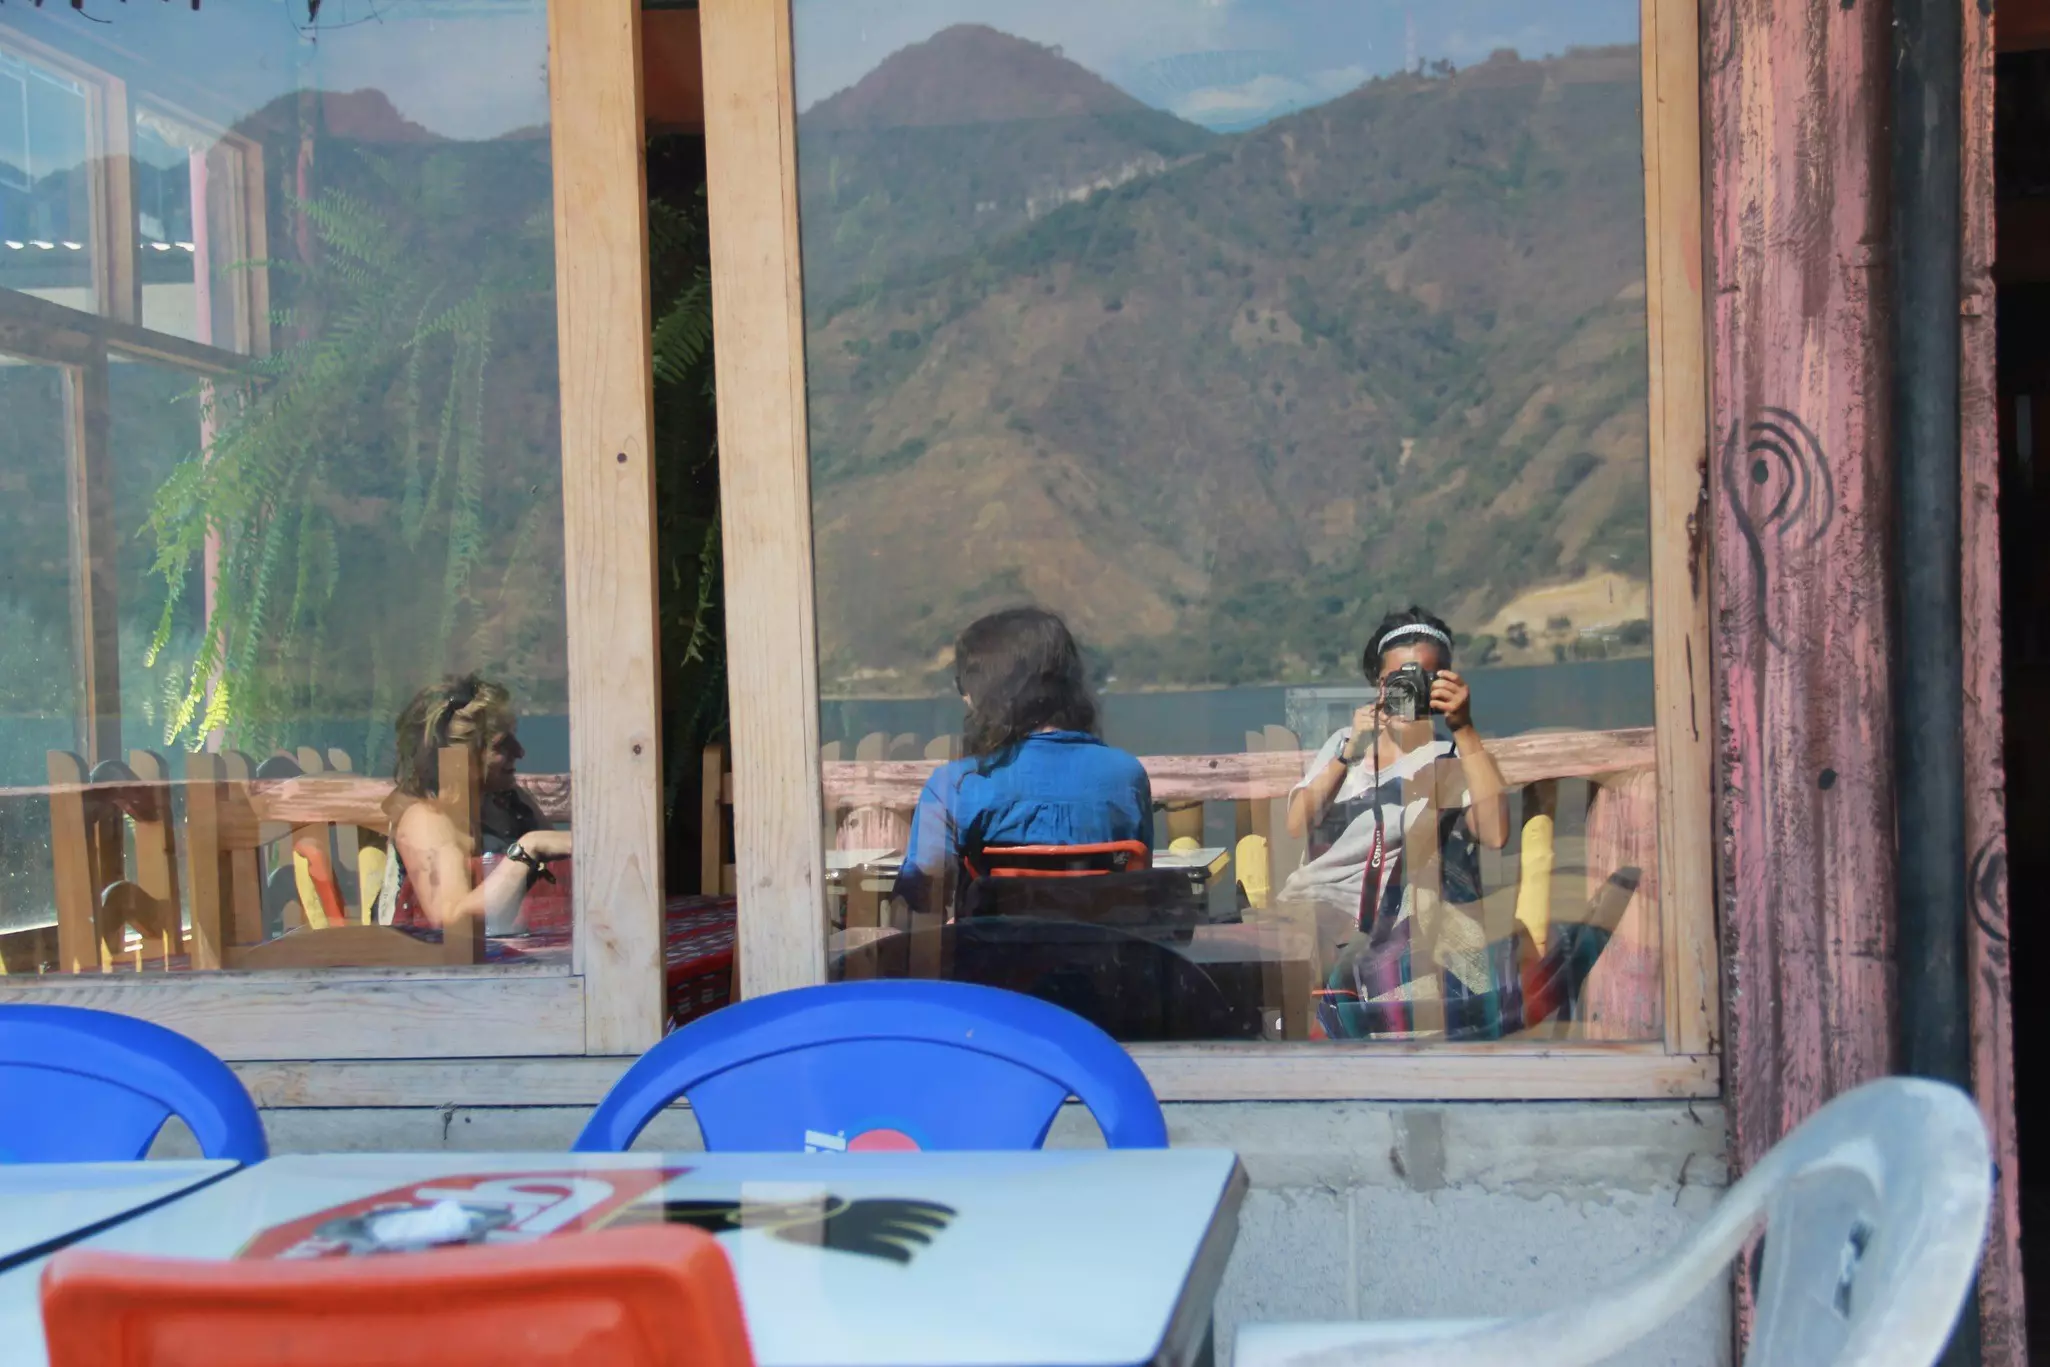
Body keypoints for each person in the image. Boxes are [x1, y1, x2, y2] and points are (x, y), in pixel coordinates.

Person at [1277, 607, 1511, 1021]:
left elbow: (1494, 835)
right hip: (1312, 906)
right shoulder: (1344, 744)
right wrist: (1349, 753)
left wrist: (1465, 729)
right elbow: (1296, 824)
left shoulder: (1452, 755)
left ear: (1445, 681)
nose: (1410, 688)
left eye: (1424, 677)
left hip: (1390, 919)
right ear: (1377, 684)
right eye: (1396, 679)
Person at [892, 608, 1152, 918]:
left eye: (966, 684)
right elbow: (1135, 881)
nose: (964, 698)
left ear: (990, 693)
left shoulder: (956, 785)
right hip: (1101, 961)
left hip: (993, 963)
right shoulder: (1126, 775)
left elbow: (921, 895)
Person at [374, 674, 572, 933]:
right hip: (441, 967)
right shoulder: (426, 819)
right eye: (502, 744)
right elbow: (452, 921)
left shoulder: (513, 804)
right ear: (461, 756)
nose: (520, 752)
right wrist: (528, 848)